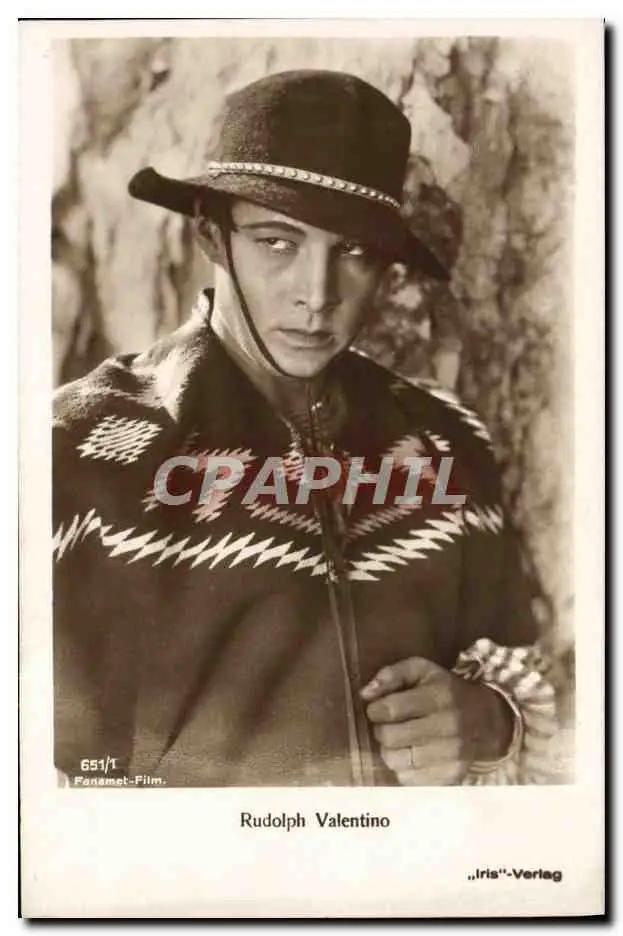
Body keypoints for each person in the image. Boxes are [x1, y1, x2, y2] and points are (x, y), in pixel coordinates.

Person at [53, 69, 558, 787]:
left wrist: (491, 721)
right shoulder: (70, 451)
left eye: (353, 252)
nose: (316, 296)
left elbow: (535, 691)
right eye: (277, 241)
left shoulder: (447, 444)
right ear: (211, 235)